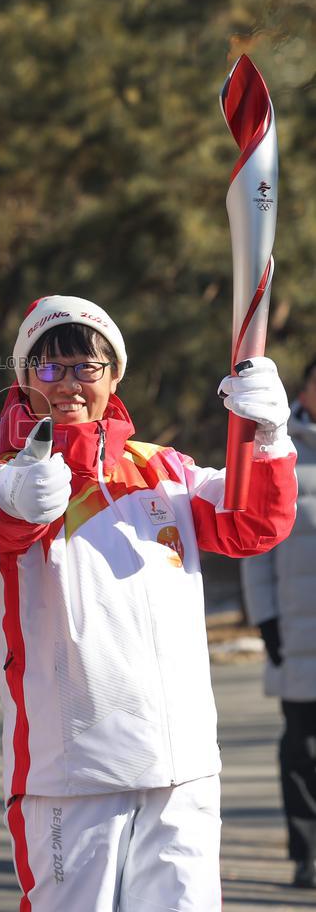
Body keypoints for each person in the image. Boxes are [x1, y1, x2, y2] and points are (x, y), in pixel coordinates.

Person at [0, 294, 297, 912]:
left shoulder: (166, 470)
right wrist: (37, 480)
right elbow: (1, 529)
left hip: (183, 766)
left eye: (85, 367)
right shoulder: (3, 478)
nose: (69, 383)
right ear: (24, 379)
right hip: (70, 773)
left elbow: (253, 524)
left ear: (114, 374)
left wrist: (268, 438)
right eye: (50, 368)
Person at [241, 355, 316, 888]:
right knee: (303, 749)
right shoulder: (282, 452)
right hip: (299, 631)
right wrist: (265, 619)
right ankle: (307, 853)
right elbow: (258, 544)